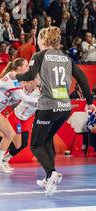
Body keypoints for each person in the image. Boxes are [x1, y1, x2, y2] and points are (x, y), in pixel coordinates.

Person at [12, 26, 94, 196]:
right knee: (47, 139)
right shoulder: (66, 58)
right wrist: (89, 102)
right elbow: (83, 80)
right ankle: (49, 177)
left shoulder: (39, 56)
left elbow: (29, 76)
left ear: (43, 40)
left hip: (48, 106)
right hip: (64, 107)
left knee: (35, 144)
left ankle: (52, 173)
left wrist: (16, 77)